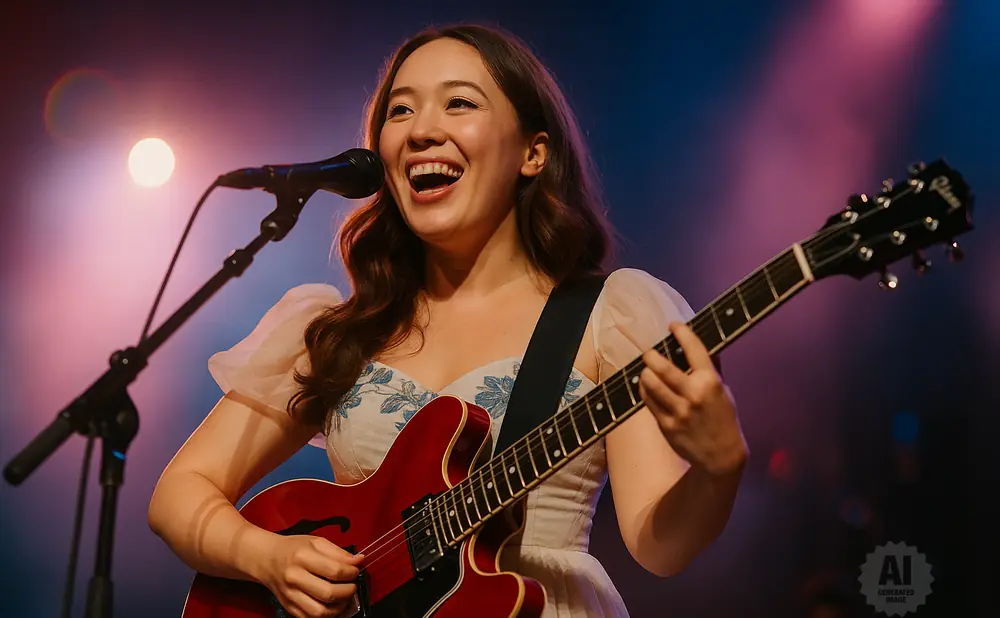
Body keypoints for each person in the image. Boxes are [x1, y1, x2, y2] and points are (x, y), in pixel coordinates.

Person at [148, 23, 749, 618]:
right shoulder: (339, 332)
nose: (421, 131)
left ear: (533, 153)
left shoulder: (608, 315)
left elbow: (660, 547)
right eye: (400, 111)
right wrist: (268, 557)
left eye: (459, 103)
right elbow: (180, 493)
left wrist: (717, 469)